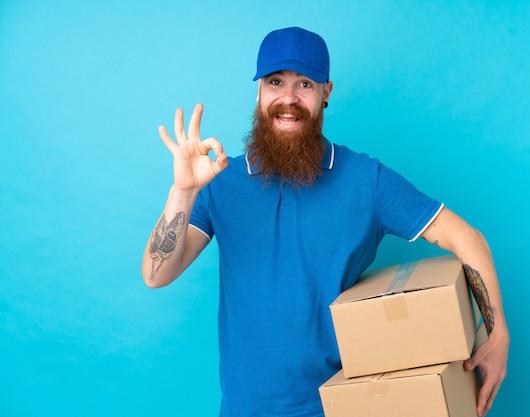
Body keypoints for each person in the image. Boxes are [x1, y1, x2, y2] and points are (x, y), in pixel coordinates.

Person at [142, 26, 509, 417]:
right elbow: (156, 275)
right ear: (259, 92)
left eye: (305, 84)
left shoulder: (365, 180)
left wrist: (497, 333)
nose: (288, 98)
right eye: (275, 82)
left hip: (342, 408)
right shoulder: (220, 181)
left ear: (326, 93)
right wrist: (182, 191)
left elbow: (467, 238)